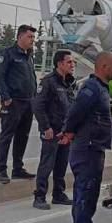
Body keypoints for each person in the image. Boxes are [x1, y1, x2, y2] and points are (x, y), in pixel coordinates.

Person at [59, 51, 112, 223]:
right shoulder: (92, 88)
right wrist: (68, 131)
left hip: (93, 147)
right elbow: (76, 111)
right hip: (88, 149)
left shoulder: (101, 88)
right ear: (104, 67)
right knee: (87, 193)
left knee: (85, 193)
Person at [30, 49, 75, 209]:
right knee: (47, 164)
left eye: (72, 62)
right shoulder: (49, 82)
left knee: (61, 164)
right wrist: (45, 127)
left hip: (65, 132)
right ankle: (40, 196)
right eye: (69, 62)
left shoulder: (69, 82)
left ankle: (58, 194)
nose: (72, 65)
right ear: (59, 63)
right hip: (52, 131)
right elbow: (37, 105)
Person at [0, 24, 38, 184]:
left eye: (33, 37)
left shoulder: (29, 55)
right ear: (20, 37)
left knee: (22, 136)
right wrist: (6, 97)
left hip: (28, 102)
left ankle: (18, 169)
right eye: (30, 37)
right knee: (7, 136)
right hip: (13, 102)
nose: (33, 40)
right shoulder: (8, 54)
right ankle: (1, 170)